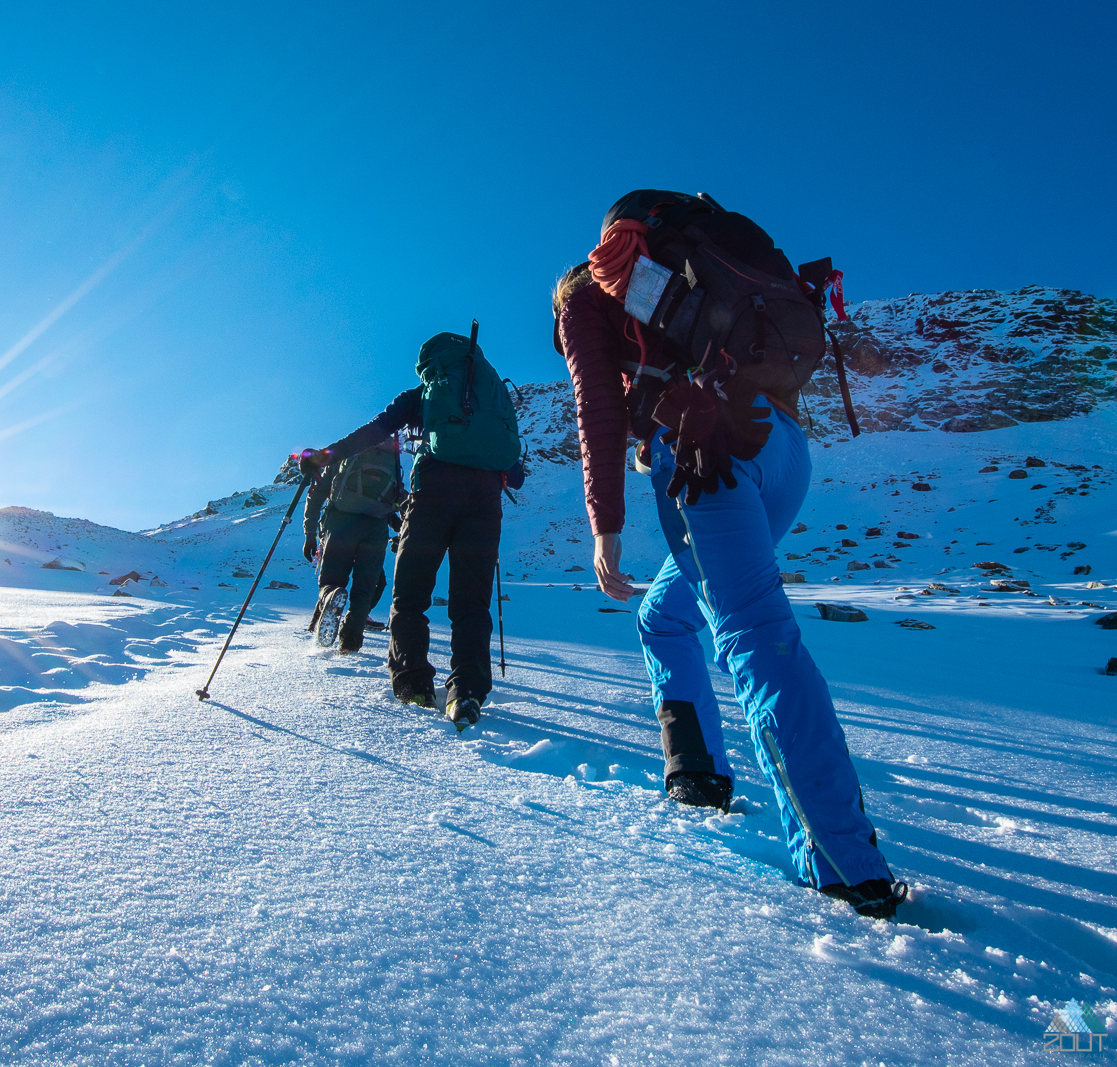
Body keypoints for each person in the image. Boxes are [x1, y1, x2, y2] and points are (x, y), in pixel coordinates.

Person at [555, 189, 906, 918]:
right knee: (665, 616)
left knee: (752, 633)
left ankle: (843, 860)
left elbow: (595, 403)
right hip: (784, 451)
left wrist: (605, 524)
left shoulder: (586, 297)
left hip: (705, 454)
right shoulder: (689, 273)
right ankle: (697, 770)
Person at [300, 327, 524, 730]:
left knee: (410, 596)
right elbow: (516, 473)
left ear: (430, 365)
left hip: (431, 498)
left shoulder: (422, 395)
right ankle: (467, 693)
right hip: (484, 505)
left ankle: (413, 683)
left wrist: (324, 456)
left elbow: (375, 430)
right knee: (471, 604)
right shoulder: (493, 400)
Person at [302, 438, 402, 652]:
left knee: (331, 580)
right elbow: (396, 499)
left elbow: (318, 494)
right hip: (375, 530)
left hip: (341, 523)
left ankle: (331, 595)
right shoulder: (392, 460)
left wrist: (310, 534)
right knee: (364, 590)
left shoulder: (347, 452)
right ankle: (350, 641)